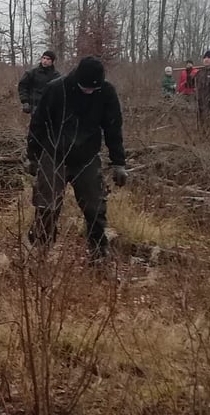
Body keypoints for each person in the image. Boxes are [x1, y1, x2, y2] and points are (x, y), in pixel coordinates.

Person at [26, 56, 127, 264]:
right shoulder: (56, 89)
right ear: (78, 79)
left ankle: (98, 253)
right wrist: (33, 157)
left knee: (95, 207)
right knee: (47, 206)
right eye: (86, 87)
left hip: (87, 157)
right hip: (54, 154)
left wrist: (119, 162)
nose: (89, 91)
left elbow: (113, 128)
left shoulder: (106, 92)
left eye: (94, 88)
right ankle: (41, 251)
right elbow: (37, 124)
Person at [17, 50, 60, 114]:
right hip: (35, 105)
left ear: (52, 61)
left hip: (50, 107)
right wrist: (25, 101)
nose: (45, 61)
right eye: (44, 58)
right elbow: (22, 86)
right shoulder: (32, 73)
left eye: (48, 59)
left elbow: (59, 91)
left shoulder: (56, 75)